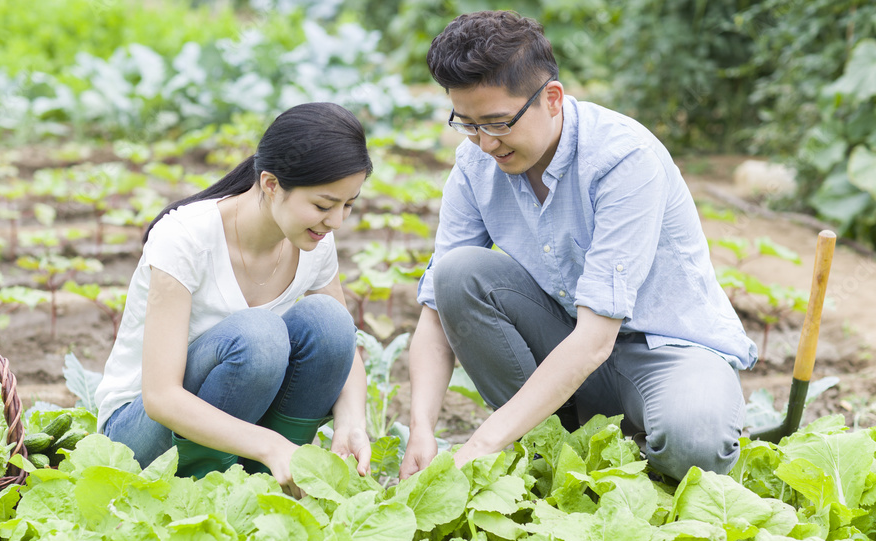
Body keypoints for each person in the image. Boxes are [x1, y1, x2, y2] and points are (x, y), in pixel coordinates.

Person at [400, 11, 758, 483]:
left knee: (696, 444)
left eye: (498, 123)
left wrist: (481, 443)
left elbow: (596, 338)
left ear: (551, 98)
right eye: (466, 124)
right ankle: (554, 446)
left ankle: (638, 434)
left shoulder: (622, 159)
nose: (485, 143)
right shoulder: (475, 164)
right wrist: (420, 427)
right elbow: (434, 315)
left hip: (664, 347)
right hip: (567, 344)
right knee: (456, 274)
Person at [95, 102, 373, 498]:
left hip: (243, 430)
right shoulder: (186, 238)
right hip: (139, 434)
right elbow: (160, 397)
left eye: (349, 205)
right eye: (324, 206)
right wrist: (269, 443)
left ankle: (271, 481)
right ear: (271, 184)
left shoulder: (314, 242)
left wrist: (351, 423)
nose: (337, 222)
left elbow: (345, 352)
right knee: (259, 336)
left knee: (330, 321)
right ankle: (205, 484)